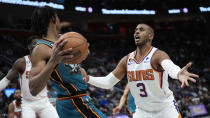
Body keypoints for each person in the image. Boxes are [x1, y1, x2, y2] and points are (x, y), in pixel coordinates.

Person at [80, 23, 199, 118]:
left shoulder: (157, 55)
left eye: (141, 29)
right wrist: (88, 78)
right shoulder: (126, 60)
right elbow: (108, 82)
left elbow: (170, 67)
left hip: (165, 109)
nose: (137, 31)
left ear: (150, 36)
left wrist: (178, 73)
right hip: (142, 112)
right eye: (135, 30)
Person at [29, 6, 106, 118]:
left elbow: (76, 65)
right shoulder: (41, 48)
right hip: (72, 103)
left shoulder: (65, 40)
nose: (60, 21)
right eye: (58, 17)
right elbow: (33, 89)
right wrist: (52, 62)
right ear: (53, 19)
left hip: (80, 99)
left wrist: (83, 53)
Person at [0, 36, 59, 118]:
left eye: (40, 43)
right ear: (29, 47)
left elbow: (51, 83)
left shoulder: (47, 62)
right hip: (28, 103)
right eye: (35, 43)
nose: (38, 45)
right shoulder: (22, 62)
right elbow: (6, 80)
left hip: (44, 102)